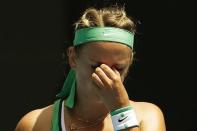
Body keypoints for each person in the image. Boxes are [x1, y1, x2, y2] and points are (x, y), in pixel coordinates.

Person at [15, 5, 166, 131]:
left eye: (118, 68)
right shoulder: (34, 124)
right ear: (73, 58)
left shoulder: (148, 116)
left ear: (130, 62)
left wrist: (120, 110)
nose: (107, 77)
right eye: (96, 66)